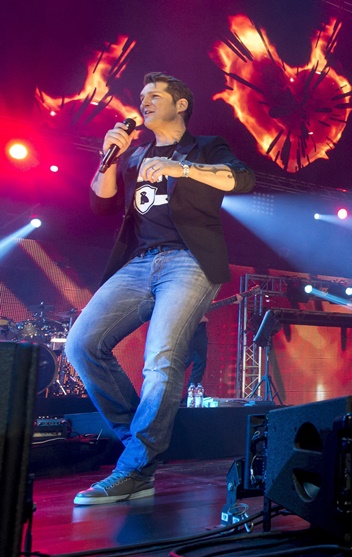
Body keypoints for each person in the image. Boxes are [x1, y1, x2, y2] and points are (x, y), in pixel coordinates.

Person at [66, 72, 256, 505]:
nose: (145, 102)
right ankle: (141, 442)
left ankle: (136, 468)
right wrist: (110, 158)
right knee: (81, 345)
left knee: (162, 357)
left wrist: (181, 167)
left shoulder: (207, 146)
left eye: (155, 96)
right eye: (143, 97)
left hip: (189, 262)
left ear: (181, 104)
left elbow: (242, 179)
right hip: (137, 264)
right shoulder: (134, 155)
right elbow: (101, 203)